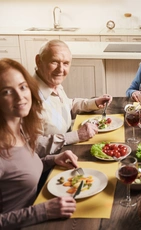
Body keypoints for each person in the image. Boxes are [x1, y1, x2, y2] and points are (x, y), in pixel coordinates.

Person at [0, 58, 78, 230]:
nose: (20, 97)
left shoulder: (18, 129)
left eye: (22, 87)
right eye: (6, 92)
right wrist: (42, 211)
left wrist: (52, 160)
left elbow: (18, 175)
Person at [33, 40, 113, 155]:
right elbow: (33, 146)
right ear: (38, 61)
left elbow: (66, 105)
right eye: (54, 62)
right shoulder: (27, 98)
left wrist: (94, 102)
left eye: (66, 63)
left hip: (68, 150)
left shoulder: (51, 82)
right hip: (49, 164)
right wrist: (76, 135)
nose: (60, 69)